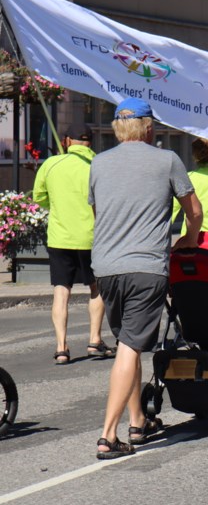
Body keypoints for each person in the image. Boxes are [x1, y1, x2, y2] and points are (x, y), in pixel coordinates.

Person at [90, 98, 202, 460]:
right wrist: (190, 237)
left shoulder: (99, 163)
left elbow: (98, 210)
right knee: (129, 346)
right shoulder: (167, 160)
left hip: (106, 268)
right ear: (149, 127)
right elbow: (194, 210)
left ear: (119, 128)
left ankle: (138, 420)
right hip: (146, 266)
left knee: (128, 340)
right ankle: (108, 435)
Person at [33, 123, 114, 365]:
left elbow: (39, 197)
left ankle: (61, 348)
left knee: (61, 290)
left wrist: (58, 209)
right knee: (96, 287)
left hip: (60, 237)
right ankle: (94, 340)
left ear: (67, 141)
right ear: (90, 142)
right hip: (92, 237)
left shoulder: (51, 164)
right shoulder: (99, 165)